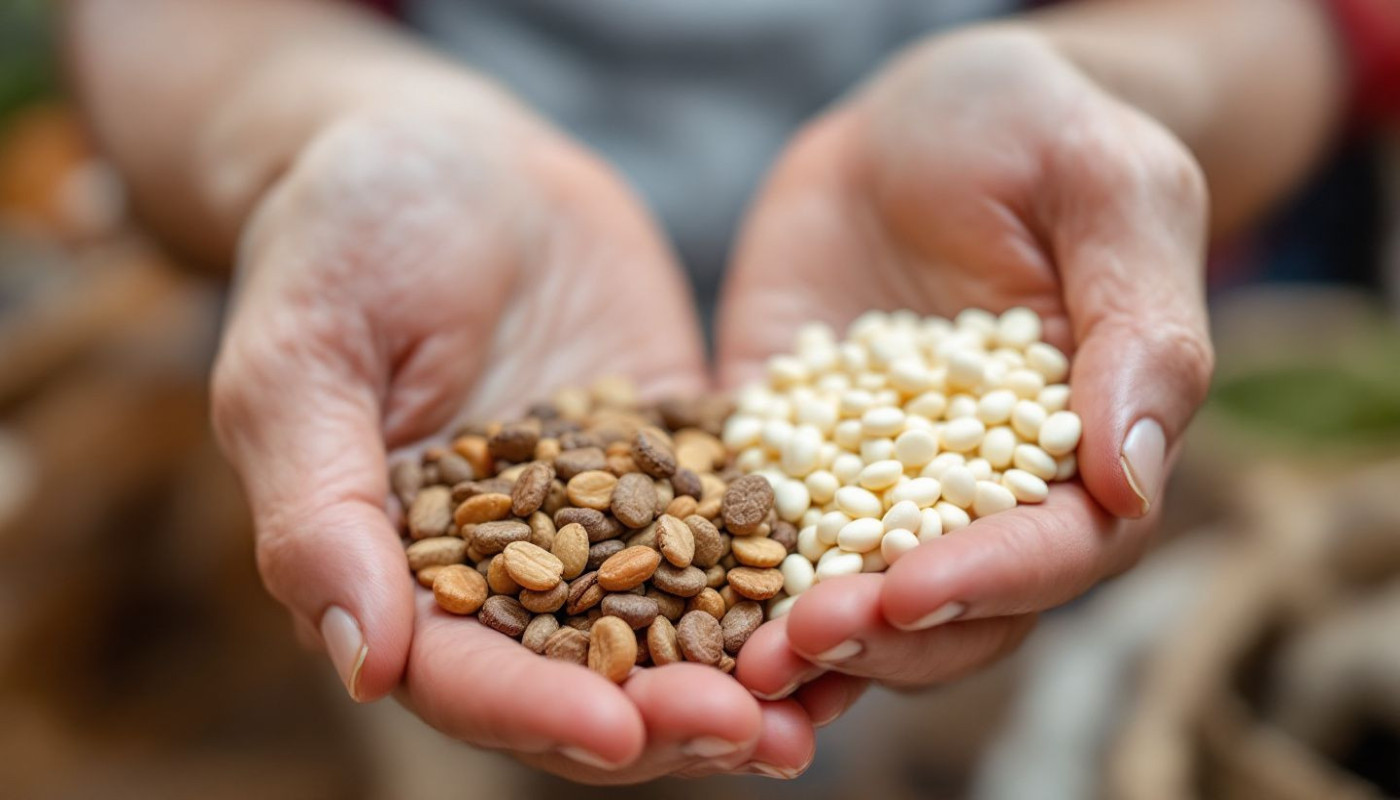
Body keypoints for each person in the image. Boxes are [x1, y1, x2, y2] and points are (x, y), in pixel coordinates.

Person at [64, 0, 1397, 784]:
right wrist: (318, 131)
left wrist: (1123, 94)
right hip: (438, 369)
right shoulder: (541, 500)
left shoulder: (848, 469)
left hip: (966, 297)